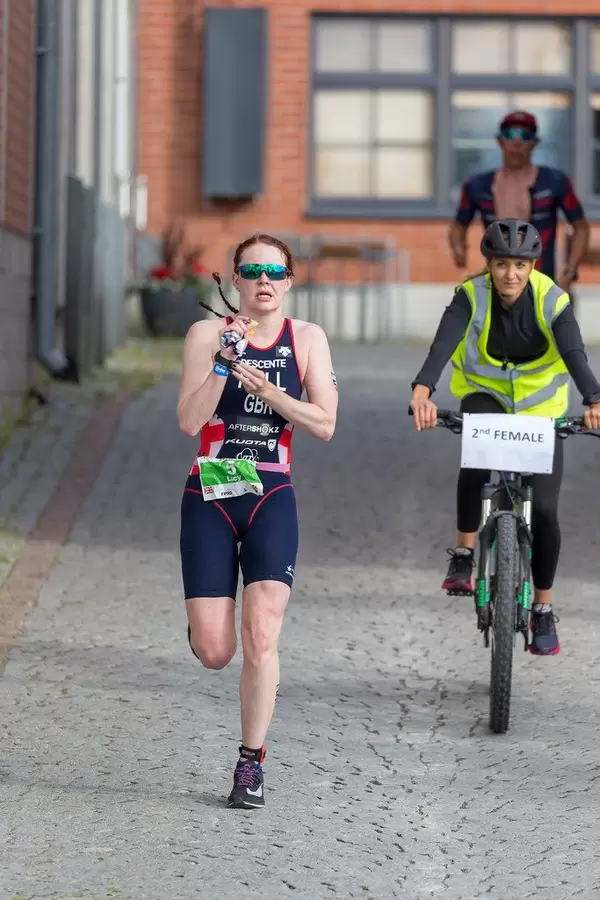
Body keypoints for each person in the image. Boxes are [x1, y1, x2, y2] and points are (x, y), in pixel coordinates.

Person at [177, 233, 338, 808]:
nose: (264, 280)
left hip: (272, 493)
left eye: (275, 271)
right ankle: (204, 626)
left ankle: (251, 764)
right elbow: (188, 421)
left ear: (290, 281)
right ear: (237, 280)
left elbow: (324, 423)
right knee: (219, 651)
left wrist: (270, 390)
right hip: (211, 495)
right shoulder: (205, 334)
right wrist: (225, 361)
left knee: (263, 632)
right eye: (252, 270)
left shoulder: (307, 340)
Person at [410, 218, 600, 657]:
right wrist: (422, 390)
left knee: (547, 509)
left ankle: (543, 608)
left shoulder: (553, 299)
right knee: (475, 460)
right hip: (487, 397)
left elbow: (574, 353)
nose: (510, 274)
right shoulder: (470, 295)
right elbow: (444, 343)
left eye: (519, 264)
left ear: (533, 265)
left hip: (540, 410)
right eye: (500, 264)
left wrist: (593, 399)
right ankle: (463, 553)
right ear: (488, 265)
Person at [449, 110, 589, 296]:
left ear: (534, 143)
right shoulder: (478, 185)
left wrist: (570, 271)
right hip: (498, 282)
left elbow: (581, 227)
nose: (516, 142)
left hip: (543, 282)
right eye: (510, 135)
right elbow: (458, 226)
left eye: (524, 136)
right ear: (500, 141)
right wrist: (459, 249)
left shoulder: (554, 181)